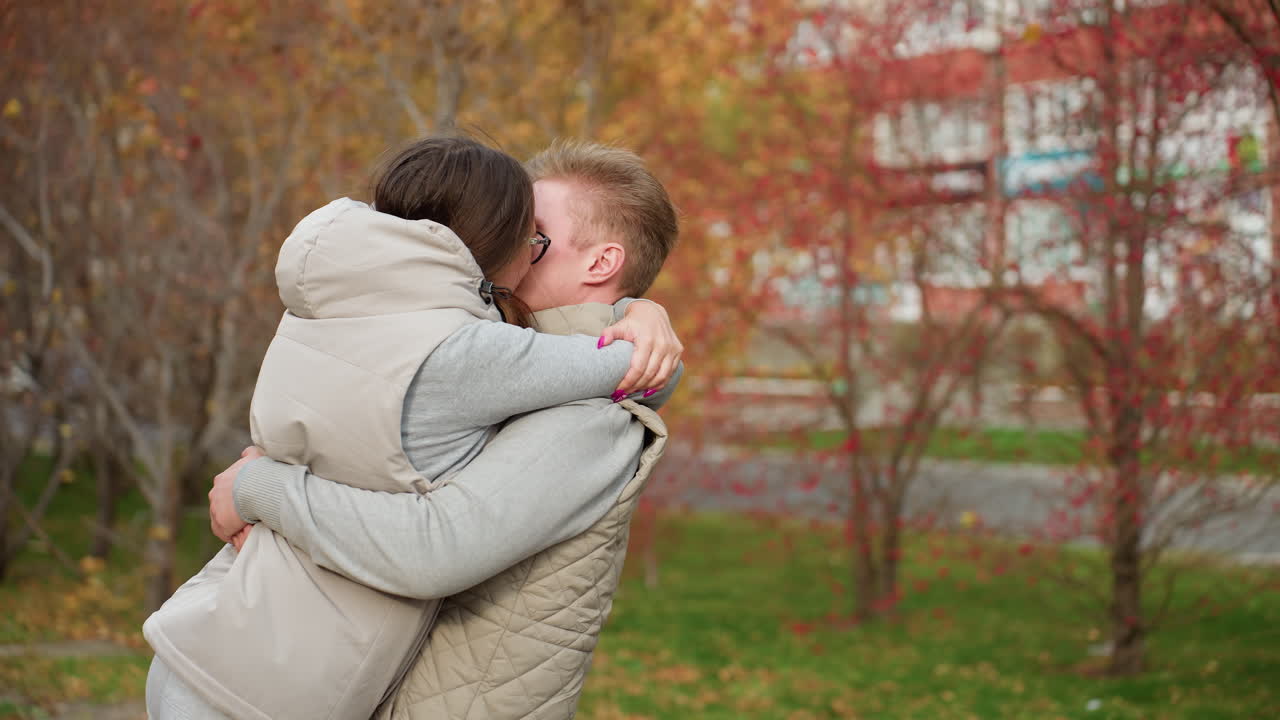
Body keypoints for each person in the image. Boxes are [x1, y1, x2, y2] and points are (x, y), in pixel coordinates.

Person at [143, 136, 683, 720]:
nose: (496, 246)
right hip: (274, 673)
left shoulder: (588, 415)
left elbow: (431, 548)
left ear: (602, 263)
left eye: (535, 237)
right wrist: (642, 323)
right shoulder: (467, 353)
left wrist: (258, 488)